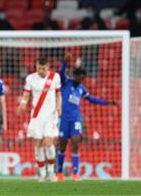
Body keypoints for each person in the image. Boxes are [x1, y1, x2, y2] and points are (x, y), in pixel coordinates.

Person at [57, 53, 116, 181]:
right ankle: (60, 172)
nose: (81, 78)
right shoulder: (66, 82)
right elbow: (61, 74)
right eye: (79, 76)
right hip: (64, 119)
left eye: (82, 76)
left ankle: (76, 174)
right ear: (75, 75)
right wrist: (64, 63)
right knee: (62, 145)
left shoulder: (82, 89)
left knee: (76, 143)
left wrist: (108, 102)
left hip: (75, 119)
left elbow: (92, 100)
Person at [17, 57, 61, 182]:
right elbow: (26, 95)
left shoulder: (55, 77)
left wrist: (59, 106)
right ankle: (42, 174)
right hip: (36, 116)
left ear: (48, 67)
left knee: (48, 143)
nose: (41, 71)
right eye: (39, 68)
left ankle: (51, 172)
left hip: (51, 116)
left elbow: (58, 94)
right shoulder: (30, 78)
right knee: (37, 146)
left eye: (43, 68)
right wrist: (23, 103)